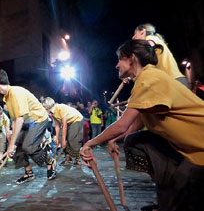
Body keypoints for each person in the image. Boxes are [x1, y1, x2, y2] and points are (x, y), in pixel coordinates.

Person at [80, 39, 204, 211]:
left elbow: (122, 125)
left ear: (131, 59)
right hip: (192, 148)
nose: (116, 65)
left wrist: (89, 143)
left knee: (182, 191)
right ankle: (169, 187)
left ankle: (174, 189)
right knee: (135, 141)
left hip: (200, 148)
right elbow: (135, 123)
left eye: (120, 59)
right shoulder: (146, 79)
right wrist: (113, 139)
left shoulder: (149, 79)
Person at [0, 69, 56, 184]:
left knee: (28, 147)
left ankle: (50, 161)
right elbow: (15, 119)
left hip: (38, 119)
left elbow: (19, 119)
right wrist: (12, 141)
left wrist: (10, 144)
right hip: (27, 121)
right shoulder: (7, 97)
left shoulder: (16, 93)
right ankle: (28, 172)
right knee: (16, 146)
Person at [132, 23, 188, 87]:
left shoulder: (149, 39)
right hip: (177, 80)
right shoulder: (156, 40)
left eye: (135, 34)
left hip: (173, 82)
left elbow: (147, 51)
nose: (133, 37)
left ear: (142, 32)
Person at [42, 97, 83, 165]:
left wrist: (64, 140)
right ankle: (68, 159)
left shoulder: (60, 108)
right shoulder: (52, 112)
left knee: (72, 139)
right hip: (68, 122)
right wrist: (58, 139)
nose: (43, 108)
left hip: (76, 120)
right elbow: (57, 126)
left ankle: (77, 159)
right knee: (61, 137)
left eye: (44, 106)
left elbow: (64, 125)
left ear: (48, 105)